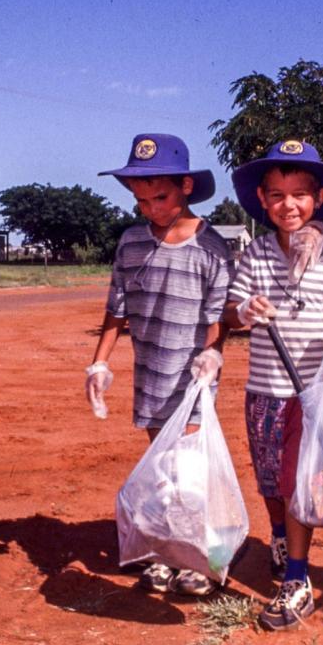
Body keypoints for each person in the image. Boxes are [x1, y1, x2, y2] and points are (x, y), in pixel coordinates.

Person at [224, 139, 323, 630]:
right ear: (263, 200)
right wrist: (244, 312)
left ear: (319, 199)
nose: (288, 205)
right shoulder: (255, 257)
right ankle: (279, 535)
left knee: (296, 484)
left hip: (312, 394)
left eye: (299, 195)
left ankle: (298, 578)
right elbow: (230, 310)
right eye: (276, 195)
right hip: (263, 389)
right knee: (269, 480)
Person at [87, 133, 231, 598]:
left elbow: (219, 315)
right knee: (162, 470)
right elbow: (117, 308)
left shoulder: (211, 247)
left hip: (192, 380)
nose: (152, 209)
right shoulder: (130, 243)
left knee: (188, 470)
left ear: (186, 186)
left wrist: (212, 354)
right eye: (142, 201)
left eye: (161, 197)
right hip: (151, 375)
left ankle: (199, 557)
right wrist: (99, 364)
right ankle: (168, 552)